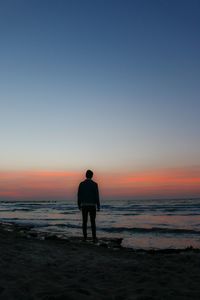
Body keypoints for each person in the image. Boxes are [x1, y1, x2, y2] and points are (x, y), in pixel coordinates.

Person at [78, 170, 100, 242]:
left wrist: (79, 204)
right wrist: (98, 205)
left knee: (84, 221)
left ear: (85, 175)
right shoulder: (95, 184)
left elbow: (79, 195)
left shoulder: (81, 184)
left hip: (84, 205)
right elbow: (97, 195)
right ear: (92, 176)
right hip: (92, 205)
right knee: (93, 221)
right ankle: (94, 237)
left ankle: (85, 237)